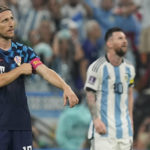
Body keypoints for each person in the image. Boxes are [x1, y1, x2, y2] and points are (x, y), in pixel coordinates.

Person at [0, 5, 79, 150]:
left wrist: (65, 86)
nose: (11, 23)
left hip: (21, 125)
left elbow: (44, 70)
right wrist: (19, 70)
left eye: (11, 18)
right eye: (4, 20)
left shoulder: (23, 51)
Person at [84, 27, 135, 150]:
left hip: (124, 131)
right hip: (104, 132)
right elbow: (90, 94)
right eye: (120, 38)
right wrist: (96, 120)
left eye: (125, 39)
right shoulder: (97, 67)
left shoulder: (129, 68)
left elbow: (129, 94)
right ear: (109, 43)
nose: (125, 41)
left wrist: (131, 121)